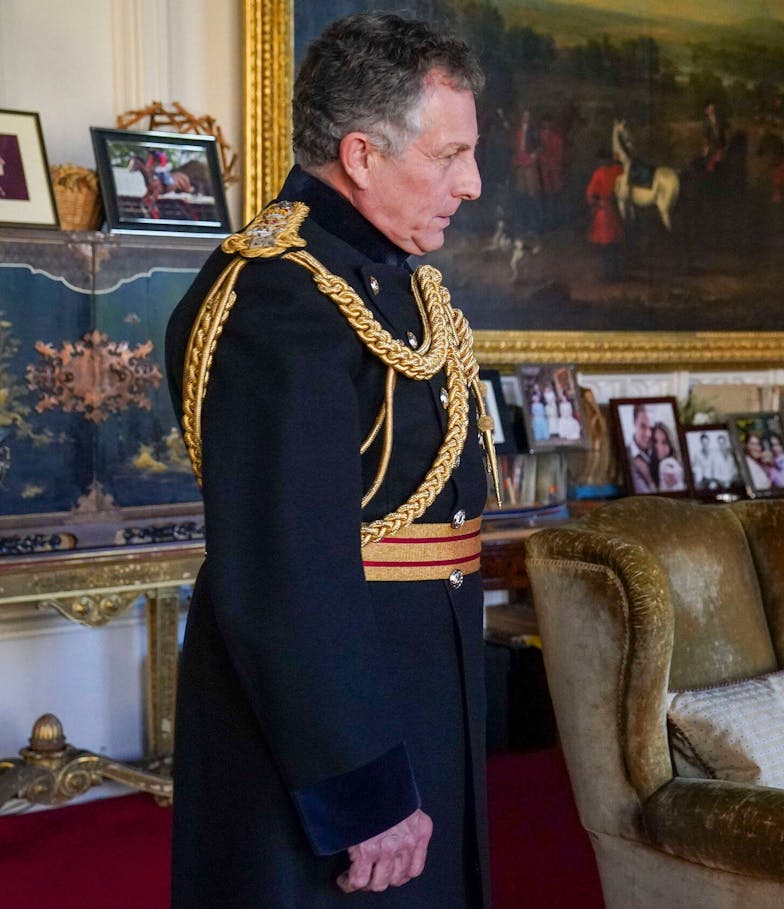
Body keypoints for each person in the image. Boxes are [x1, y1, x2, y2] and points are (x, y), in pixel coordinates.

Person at [162, 13, 493, 907]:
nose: (471, 182)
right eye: (450, 154)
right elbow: (284, 570)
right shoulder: (278, 296)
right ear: (360, 154)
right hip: (328, 740)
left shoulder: (393, 281)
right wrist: (363, 787)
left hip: (415, 694)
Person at [584, 149, 624, 282]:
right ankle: (615, 273)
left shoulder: (599, 173)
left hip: (606, 213)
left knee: (607, 246)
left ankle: (609, 275)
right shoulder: (619, 170)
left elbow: (590, 195)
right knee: (615, 245)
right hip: (618, 211)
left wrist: (597, 204)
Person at [625, 404, 658, 494]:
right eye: (643, 426)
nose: (648, 434)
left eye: (651, 428)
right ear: (634, 423)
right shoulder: (626, 454)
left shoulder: (660, 450)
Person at [652, 423, 687, 492]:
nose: (659, 447)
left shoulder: (666, 463)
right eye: (655, 441)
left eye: (664, 442)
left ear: (670, 444)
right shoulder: (655, 464)